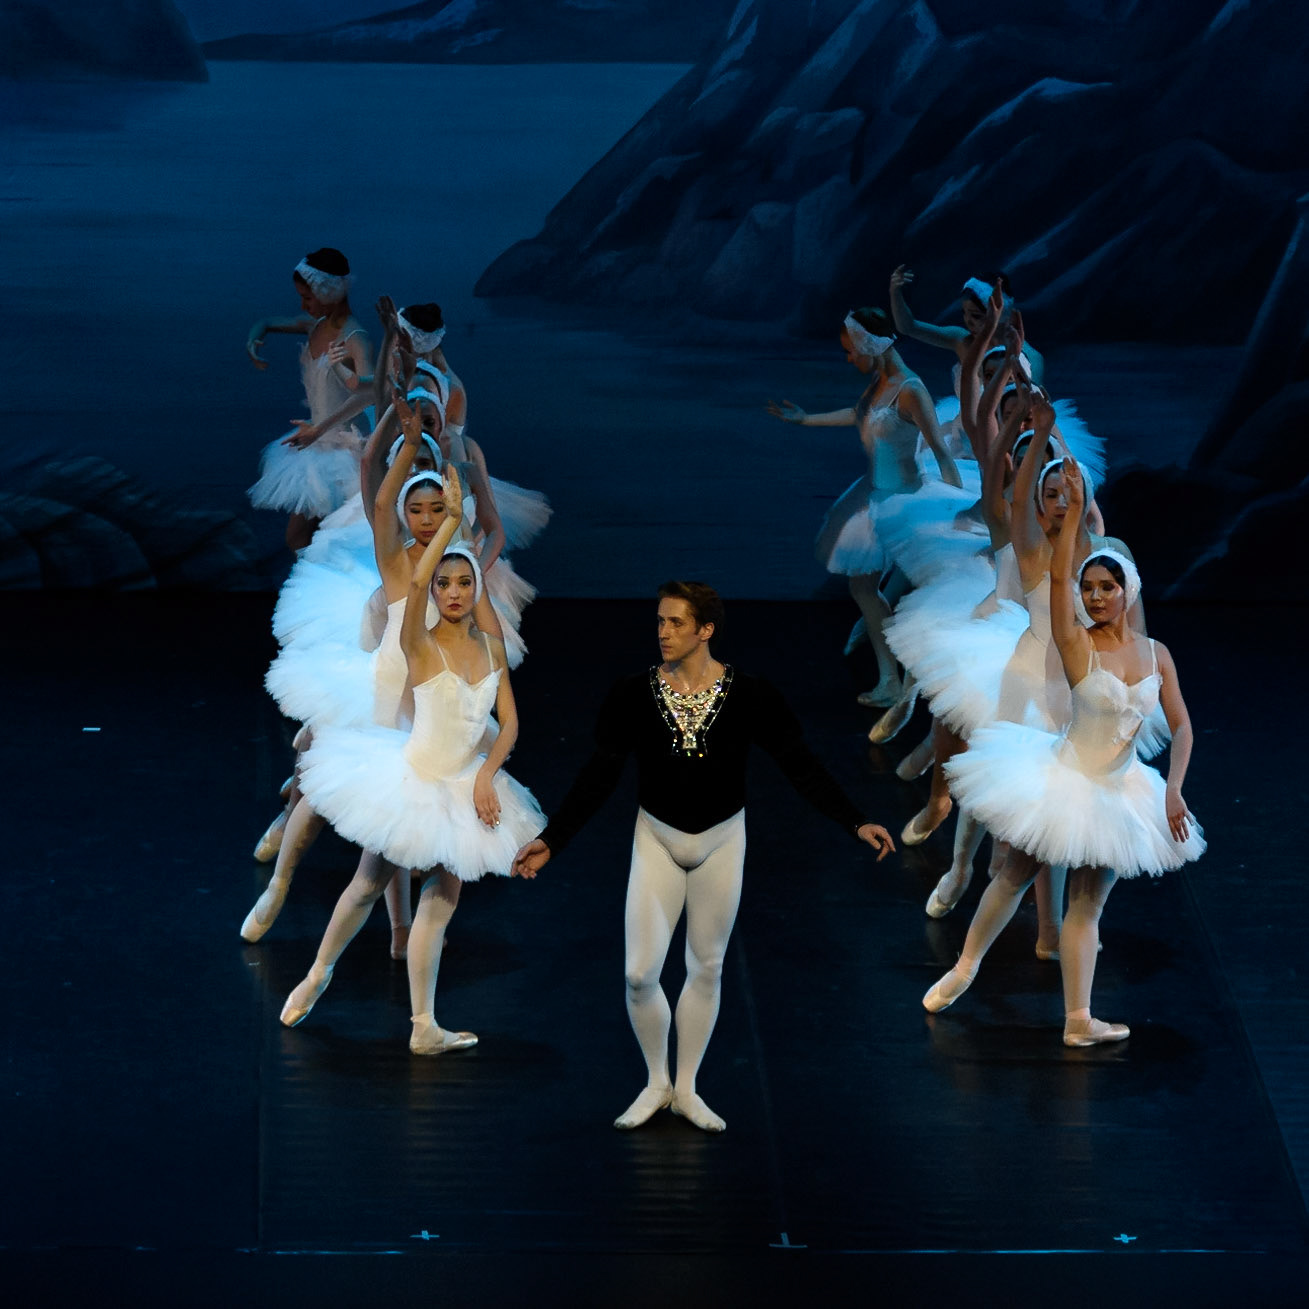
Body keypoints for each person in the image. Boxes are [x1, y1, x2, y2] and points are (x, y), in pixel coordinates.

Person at [511, 582, 896, 1132]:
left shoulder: (750, 695)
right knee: (640, 974)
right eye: (660, 622)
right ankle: (655, 1081)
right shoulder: (633, 693)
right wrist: (555, 838)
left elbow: (799, 764)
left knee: (706, 966)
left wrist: (854, 819)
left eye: (674, 622)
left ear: (705, 630)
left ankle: (687, 1087)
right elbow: (600, 775)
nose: (662, 632)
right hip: (658, 839)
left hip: (721, 840)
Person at [926, 458, 1203, 1044]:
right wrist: (1073, 517)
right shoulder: (1077, 645)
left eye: (1108, 587)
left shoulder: (1157, 653)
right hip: (1065, 778)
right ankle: (964, 968)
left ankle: (1078, 1021)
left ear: (1129, 592)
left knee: (1088, 905)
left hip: (1121, 789)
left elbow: (1181, 728)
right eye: (1090, 587)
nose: (1097, 596)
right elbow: (1055, 584)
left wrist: (1174, 786)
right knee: (1015, 874)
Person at [283, 473, 544, 1054]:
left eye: (463, 583)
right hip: (414, 782)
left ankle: (424, 1025)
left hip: (465, 787)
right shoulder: (419, 643)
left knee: (442, 904)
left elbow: (512, 722)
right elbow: (419, 575)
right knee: (366, 885)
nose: (452, 592)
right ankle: (318, 972)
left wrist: (484, 777)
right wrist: (449, 520)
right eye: (444, 584)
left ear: (477, 589)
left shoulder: (490, 646)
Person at [768, 308, 962, 707]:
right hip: (874, 495)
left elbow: (941, 452)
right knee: (864, 588)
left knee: (870, 589)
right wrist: (806, 420)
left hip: (903, 502)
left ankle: (898, 678)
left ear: (870, 346)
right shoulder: (880, 382)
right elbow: (858, 416)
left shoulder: (911, 389)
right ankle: (894, 677)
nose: (848, 358)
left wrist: (957, 511)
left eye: (850, 351)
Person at [246, 248, 373, 550]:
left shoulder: (355, 338)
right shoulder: (314, 325)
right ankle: (314, 588)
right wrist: (254, 339)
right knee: (302, 539)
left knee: (333, 539)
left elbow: (368, 394)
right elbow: (267, 321)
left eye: (308, 297)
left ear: (328, 291)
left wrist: (320, 428)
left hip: (349, 450)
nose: (303, 305)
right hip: (316, 445)